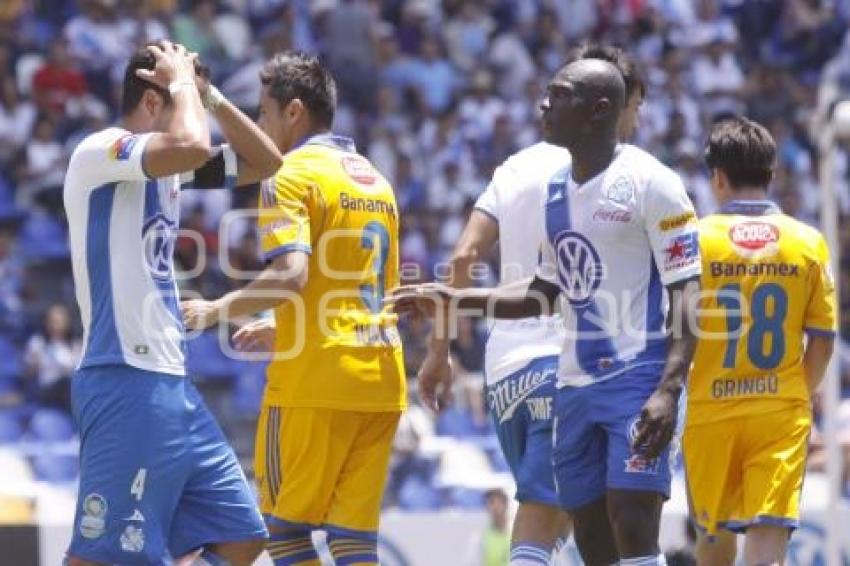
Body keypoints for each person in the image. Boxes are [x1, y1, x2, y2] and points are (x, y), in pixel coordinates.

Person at [388, 58, 701, 565]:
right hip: (572, 388)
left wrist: (669, 387)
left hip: (636, 379)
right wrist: (452, 299)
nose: (543, 105)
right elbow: (540, 294)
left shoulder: (652, 182)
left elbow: (689, 292)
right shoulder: (556, 191)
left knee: (633, 522)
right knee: (593, 539)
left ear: (598, 110)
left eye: (559, 95)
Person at [181, 51, 406, 566]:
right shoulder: (375, 180)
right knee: (352, 541)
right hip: (381, 379)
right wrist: (283, 330)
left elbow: (291, 274)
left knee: (283, 532)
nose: (260, 125)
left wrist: (213, 310)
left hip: (316, 383)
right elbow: (356, 292)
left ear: (294, 112)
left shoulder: (289, 174)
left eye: (262, 112)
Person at [63, 40, 281, 565]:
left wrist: (212, 98)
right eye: (180, 94)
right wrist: (182, 86)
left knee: (242, 534)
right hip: (123, 373)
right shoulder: (103, 150)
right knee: (101, 555)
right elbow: (186, 145)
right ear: (154, 101)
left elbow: (266, 160)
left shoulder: (172, 169)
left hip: (171, 382)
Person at [684, 117, 836, 565]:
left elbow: (676, 331)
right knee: (768, 538)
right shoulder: (808, 241)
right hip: (778, 409)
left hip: (709, 409)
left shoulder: (694, 241)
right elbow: (823, 341)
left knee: (712, 541)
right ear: (772, 176)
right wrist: (793, 396)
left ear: (717, 178)